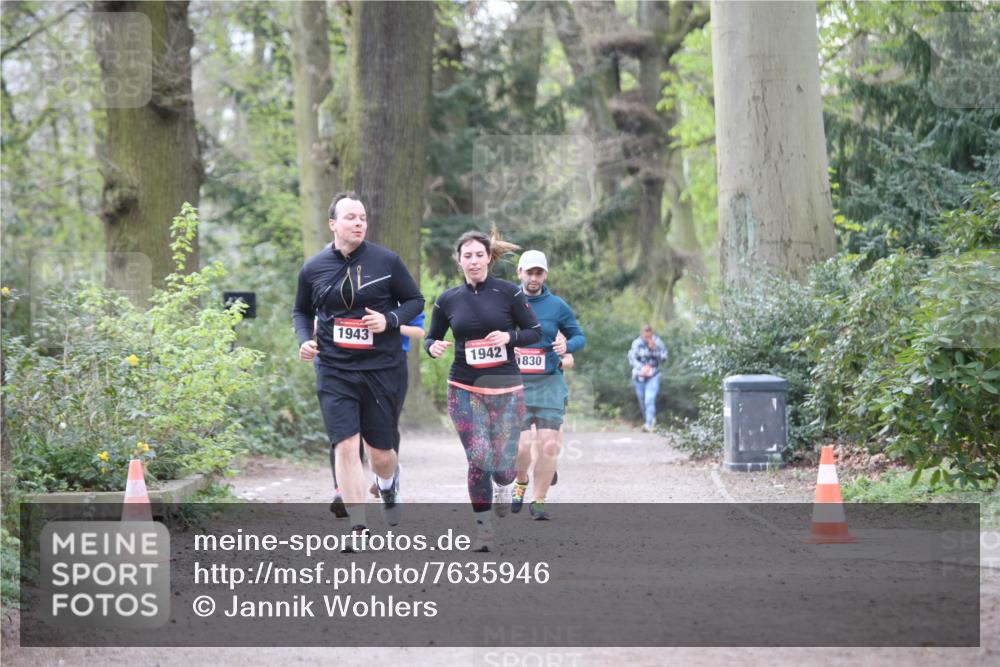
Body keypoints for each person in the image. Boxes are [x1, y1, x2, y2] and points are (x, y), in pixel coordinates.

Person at [293, 191, 424, 545]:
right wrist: (304, 340)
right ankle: (358, 526)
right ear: (333, 224)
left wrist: (389, 319)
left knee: (380, 454)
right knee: (345, 445)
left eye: (363, 217)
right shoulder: (313, 268)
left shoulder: (387, 261)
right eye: (350, 217)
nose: (359, 223)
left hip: (381, 368)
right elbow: (301, 311)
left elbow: (415, 301)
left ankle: (388, 482)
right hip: (334, 367)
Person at [425, 229, 541, 552]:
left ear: (489, 257)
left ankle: (504, 485)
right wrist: (432, 346)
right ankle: (484, 530)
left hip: (506, 388)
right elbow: (431, 337)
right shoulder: (448, 299)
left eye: (479, 255)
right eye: (467, 256)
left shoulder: (509, 293)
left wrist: (509, 338)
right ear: (459, 261)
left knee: (503, 469)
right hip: (464, 388)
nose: (473, 261)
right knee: (478, 457)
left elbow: (534, 332)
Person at [511, 250, 585, 520]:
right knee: (521, 447)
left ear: (545, 274)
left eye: (538, 273)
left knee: (549, 446)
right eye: (529, 272)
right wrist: (508, 346)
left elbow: (579, 336)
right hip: (516, 384)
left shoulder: (557, 306)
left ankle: (539, 501)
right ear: (519, 272)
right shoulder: (507, 301)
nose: (533, 278)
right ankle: (521, 480)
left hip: (549, 383)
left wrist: (567, 346)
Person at [329, 312, 425, 518]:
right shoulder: (347, 296)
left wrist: (388, 324)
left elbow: (419, 331)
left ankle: (386, 479)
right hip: (346, 363)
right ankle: (341, 490)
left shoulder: (402, 297)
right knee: (344, 432)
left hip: (389, 365)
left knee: (385, 427)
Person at [628, 324, 668, 432]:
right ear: (642, 334)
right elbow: (632, 359)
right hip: (639, 376)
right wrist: (642, 368)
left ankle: (649, 424)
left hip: (653, 376)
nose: (648, 339)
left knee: (649, 399)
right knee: (642, 401)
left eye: (649, 336)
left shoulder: (657, 342)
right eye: (646, 337)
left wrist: (655, 349)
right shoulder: (636, 343)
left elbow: (664, 358)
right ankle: (648, 421)